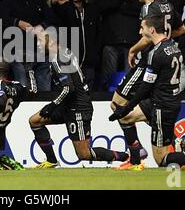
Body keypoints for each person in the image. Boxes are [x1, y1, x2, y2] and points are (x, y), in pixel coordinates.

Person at [109, 15, 185, 171]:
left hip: (161, 107)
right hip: (167, 101)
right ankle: (136, 159)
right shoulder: (173, 46)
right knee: (125, 118)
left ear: (151, 30)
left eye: (142, 28)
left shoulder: (155, 53)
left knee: (162, 160)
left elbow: (145, 86)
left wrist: (128, 106)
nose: (140, 31)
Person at [110, 0, 185, 169]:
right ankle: (166, 141)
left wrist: (133, 50)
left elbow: (146, 37)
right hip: (165, 60)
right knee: (135, 110)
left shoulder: (148, 8)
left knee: (117, 104)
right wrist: (166, 40)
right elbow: (182, 28)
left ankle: (136, 154)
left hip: (148, 63)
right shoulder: (167, 4)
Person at [29, 27, 129, 168]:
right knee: (35, 121)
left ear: (50, 42)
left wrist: (51, 105)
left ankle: (126, 157)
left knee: (84, 154)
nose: (38, 44)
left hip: (78, 108)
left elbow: (69, 88)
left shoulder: (58, 57)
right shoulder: (64, 52)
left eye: (40, 40)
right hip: (68, 105)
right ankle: (51, 160)